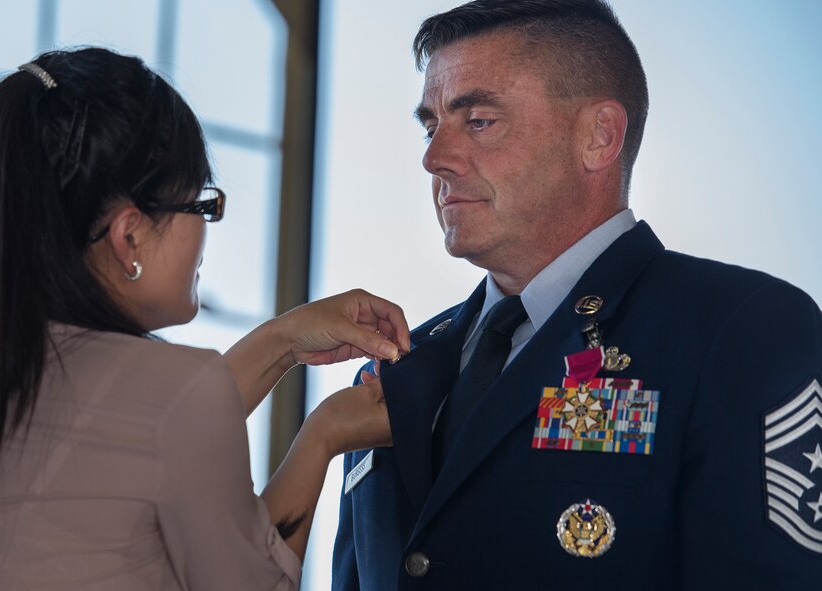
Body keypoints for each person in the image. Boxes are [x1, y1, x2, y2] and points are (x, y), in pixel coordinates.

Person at [332, 1, 822, 589]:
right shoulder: (397, 366)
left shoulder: (739, 330)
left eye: (479, 121)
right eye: (431, 125)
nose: (434, 158)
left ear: (599, 136)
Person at [0, 47, 411, 590]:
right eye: (202, 206)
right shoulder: (179, 391)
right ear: (129, 234)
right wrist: (323, 435)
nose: (209, 229)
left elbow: (120, 430)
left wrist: (285, 341)